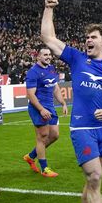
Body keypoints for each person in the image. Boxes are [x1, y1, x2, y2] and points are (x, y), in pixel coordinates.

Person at [40, 0, 102, 203]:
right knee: (96, 177)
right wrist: (48, 9)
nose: (88, 40)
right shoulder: (77, 58)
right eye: (87, 37)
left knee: (92, 182)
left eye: (93, 37)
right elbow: (48, 38)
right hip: (81, 128)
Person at [22, 47, 68, 177]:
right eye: (45, 55)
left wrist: (63, 103)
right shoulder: (33, 72)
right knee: (42, 137)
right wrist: (41, 109)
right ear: (38, 57)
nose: (48, 57)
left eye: (49, 54)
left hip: (50, 107)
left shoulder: (51, 69)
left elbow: (55, 88)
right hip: (38, 107)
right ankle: (44, 168)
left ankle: (31, 156)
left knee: (54, 135)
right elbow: (30, 95)